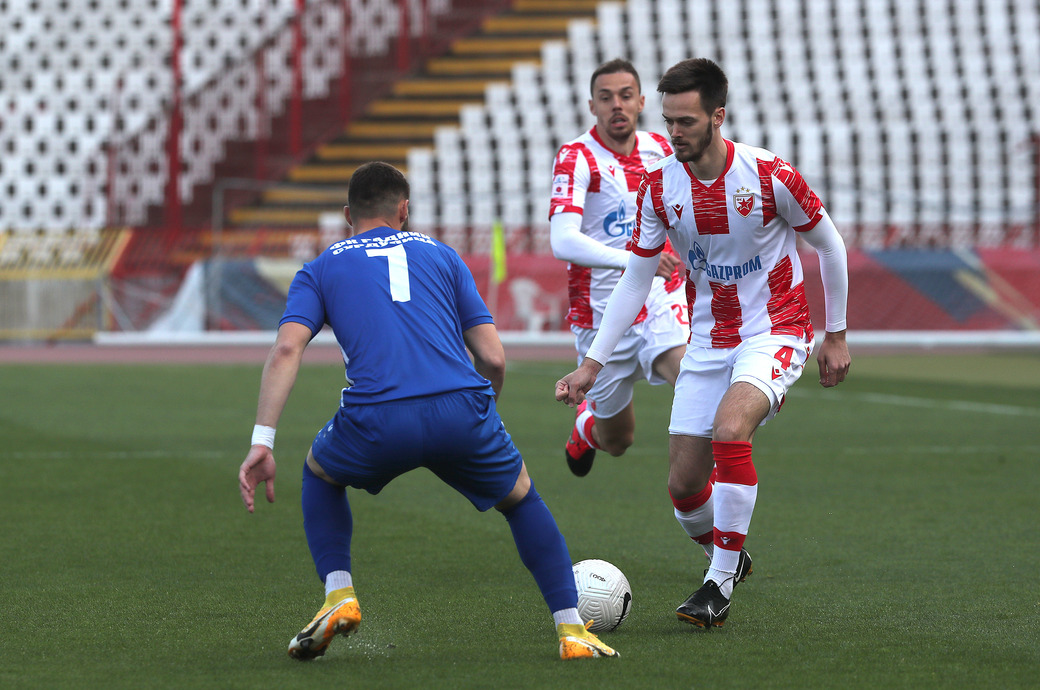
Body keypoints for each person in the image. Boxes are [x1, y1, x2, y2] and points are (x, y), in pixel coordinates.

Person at [238, 162, 618, 661]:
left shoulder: (323, 265)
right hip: (461, 409)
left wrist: (262, 442)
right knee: (522, 501)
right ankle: (572, 632)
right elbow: (493, 358)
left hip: (376, 417)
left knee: (320, 475)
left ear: (348, 214)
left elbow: (288, 350)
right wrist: (482, 415)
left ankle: (339, 594)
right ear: (405, 210)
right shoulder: (442, 254)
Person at [555, 58, 851, 629]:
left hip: (777, 330)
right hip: (709, 341)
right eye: (669, 121)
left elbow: (830, 246)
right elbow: (637, 278)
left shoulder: (769, 175)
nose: (675, 132)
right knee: (685, 488)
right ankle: (727, 555)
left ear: (718, 115)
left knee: (730, 430)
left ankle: (717, 583)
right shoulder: (659, 186)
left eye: (687, 121)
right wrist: (592, 363)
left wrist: (835, 334)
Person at [549, 58, 689, 477]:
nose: (617, 105)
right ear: (592, 105)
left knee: (694, 380)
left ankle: (707, 493)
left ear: (642, 101)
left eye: (626, 96)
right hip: (601, 314)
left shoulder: (662, 150)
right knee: (618, 441)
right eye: (606, 97)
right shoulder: (577, 157)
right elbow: (563, 240)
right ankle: (586, 429)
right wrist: (636, 259)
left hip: (660, 299)